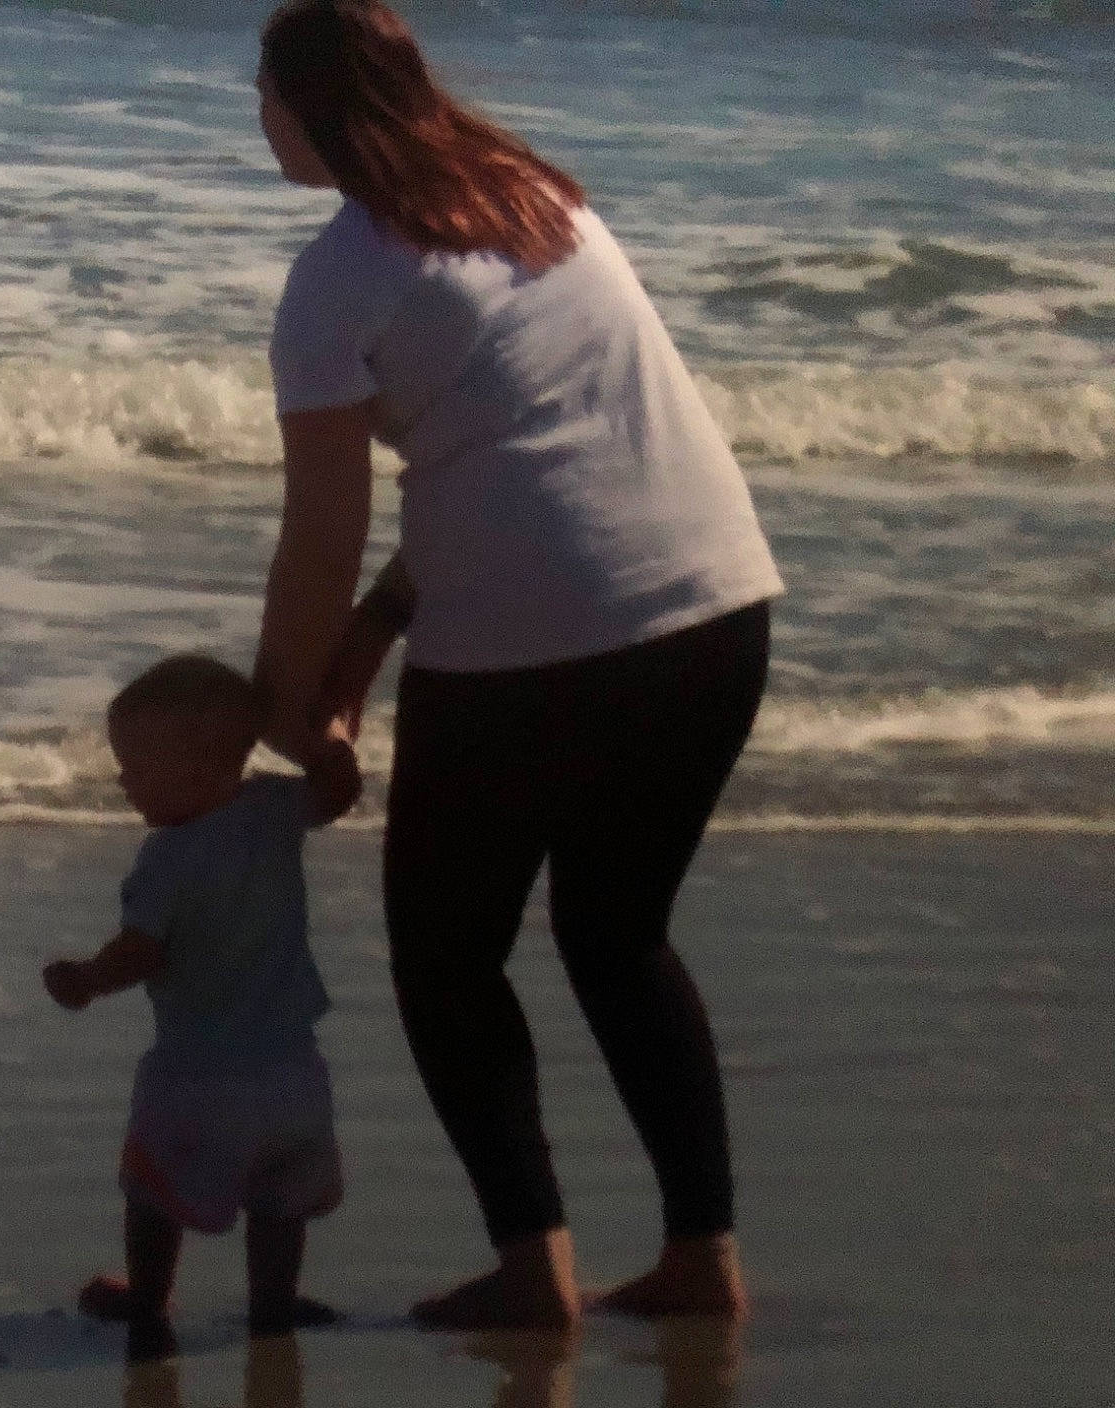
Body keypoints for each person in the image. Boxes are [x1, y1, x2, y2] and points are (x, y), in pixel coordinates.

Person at [250, 0, 783, 1329]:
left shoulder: (336, 282)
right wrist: (371, 642)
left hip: (537, 657)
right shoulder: (537, 200)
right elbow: (549, 461)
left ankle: (535, 1267)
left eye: (264, 94)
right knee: (616, 934)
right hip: (716, 614)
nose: (256, 118)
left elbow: (323, 535)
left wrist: (280, 713)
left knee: (446, 956)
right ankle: (703, 1259)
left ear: (310, 109)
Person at [41, 654, 358, 1345]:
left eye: (135, 766)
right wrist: (328, 732)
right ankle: (273, 1303)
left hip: (198, 1075)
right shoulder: (275, 808)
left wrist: (88, 980)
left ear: (195, 768)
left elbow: (142, 953)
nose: (122, 780)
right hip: (295, 1074)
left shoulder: (166, 858)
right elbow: (338, 793)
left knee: (151, 1189)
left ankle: (149, 1296)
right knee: (281, 1201)